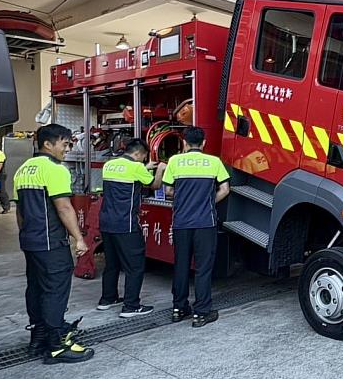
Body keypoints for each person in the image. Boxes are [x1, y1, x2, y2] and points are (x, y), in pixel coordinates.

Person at [14, 124, 93, 363]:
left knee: (36, 288)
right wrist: (79, 238)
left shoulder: (23, 169)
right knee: (55, 291)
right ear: (48, 144)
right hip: (51, 242)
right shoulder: (55, 169)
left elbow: (19, 211)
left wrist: (26, 234)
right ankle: (57, 344)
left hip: (31, 241)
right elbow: (64, 206)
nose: (67, 149)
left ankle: (38, 339)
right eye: (65, 143)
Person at [163, 126, 230, 327]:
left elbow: (167, 191)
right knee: (203, 268)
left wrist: (184, 200)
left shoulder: (174, 161)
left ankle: (178, 308)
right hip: (205, 224)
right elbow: (225, 189)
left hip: (181, 223)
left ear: (184, 143)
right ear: (204, 143)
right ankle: (201, 313)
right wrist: (209, 202)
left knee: (181, 265)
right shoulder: (214, 162)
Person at [97, 139, 166, 317]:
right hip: (125, 223)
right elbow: (154, 185)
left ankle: (107, 299)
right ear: (139, 154)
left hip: (106, 222)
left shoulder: (110, 165)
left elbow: (130, 173)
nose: (144, 161)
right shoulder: (136, 168)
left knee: (112, 263)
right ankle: (131, 306)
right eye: (144, 158)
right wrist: (159, 170)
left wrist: (146, 167)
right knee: (135, 266)